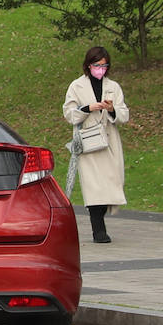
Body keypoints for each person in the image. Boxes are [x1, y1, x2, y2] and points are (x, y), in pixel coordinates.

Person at [62, 46, 130, 243]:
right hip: (89, 140)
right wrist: (87, 108)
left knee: (111, 183)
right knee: (94, 187)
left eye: (104, 65)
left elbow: (124, 114)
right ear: (88, 65)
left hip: (109, 140)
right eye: (97, 65)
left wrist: (111, 109)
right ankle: (98, 230)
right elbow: (69, 113)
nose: (101, 69)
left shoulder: (113, 87)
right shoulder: (76, 86)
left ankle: (101, 219)